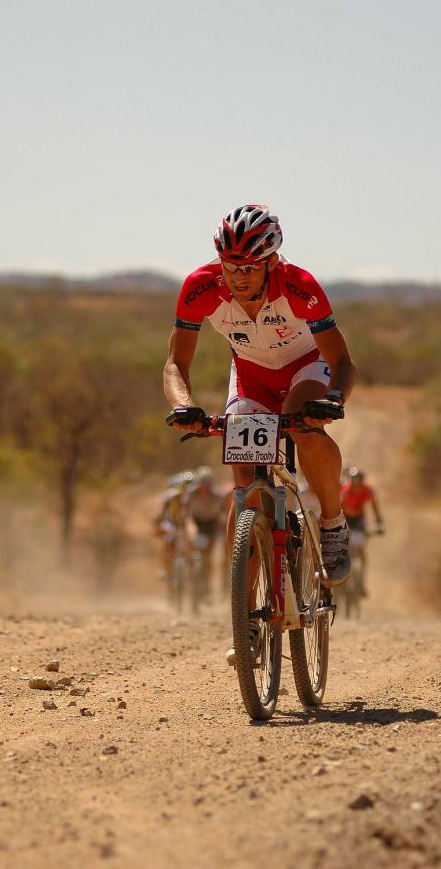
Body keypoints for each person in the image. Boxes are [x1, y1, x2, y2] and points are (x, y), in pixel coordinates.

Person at [163, 203, 357, 589]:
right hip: (251, 376)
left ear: (270, 262)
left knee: (301, 424)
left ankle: (333, 523)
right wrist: (182, 405)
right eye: (230, 266)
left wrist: (333, 399)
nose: (238, 277)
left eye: (250, 267)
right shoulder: (200, 287)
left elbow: (342, 362)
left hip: (306, 367)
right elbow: (175, 364)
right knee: (244, 481)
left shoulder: (299, 285)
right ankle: (247, 606)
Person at [340, 465, 384, 595]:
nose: (356, 484)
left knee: (361, 550)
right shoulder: (346, 489)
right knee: (343, 549)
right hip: (345, 519)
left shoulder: (367, 490)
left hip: (359, 520)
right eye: (354, 480)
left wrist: (379, 522)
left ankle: (362, 582)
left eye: (358, 481)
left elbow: (374, 506)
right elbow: (340, 504)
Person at [185, 466, 224, 601]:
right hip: (196, 522)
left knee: (208, 557)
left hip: (210, 524)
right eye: (202, 483)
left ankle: (207, 587)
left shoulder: (217, 495)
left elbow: (220, 514)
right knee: (191, 544)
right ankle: (189, 575)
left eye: (207, 484)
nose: (204, 487)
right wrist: (188, 527)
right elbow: (186, 512)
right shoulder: (191, 493)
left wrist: (219, 528)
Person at [154, 471, 194, 597]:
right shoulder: (171, 496)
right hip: (171, 523)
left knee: (191, 537)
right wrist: (160, 524)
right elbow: (162, 513)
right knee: (168, 541)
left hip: (184, 524)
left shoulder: (192, 497)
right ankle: (164, 568)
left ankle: (192, 561)